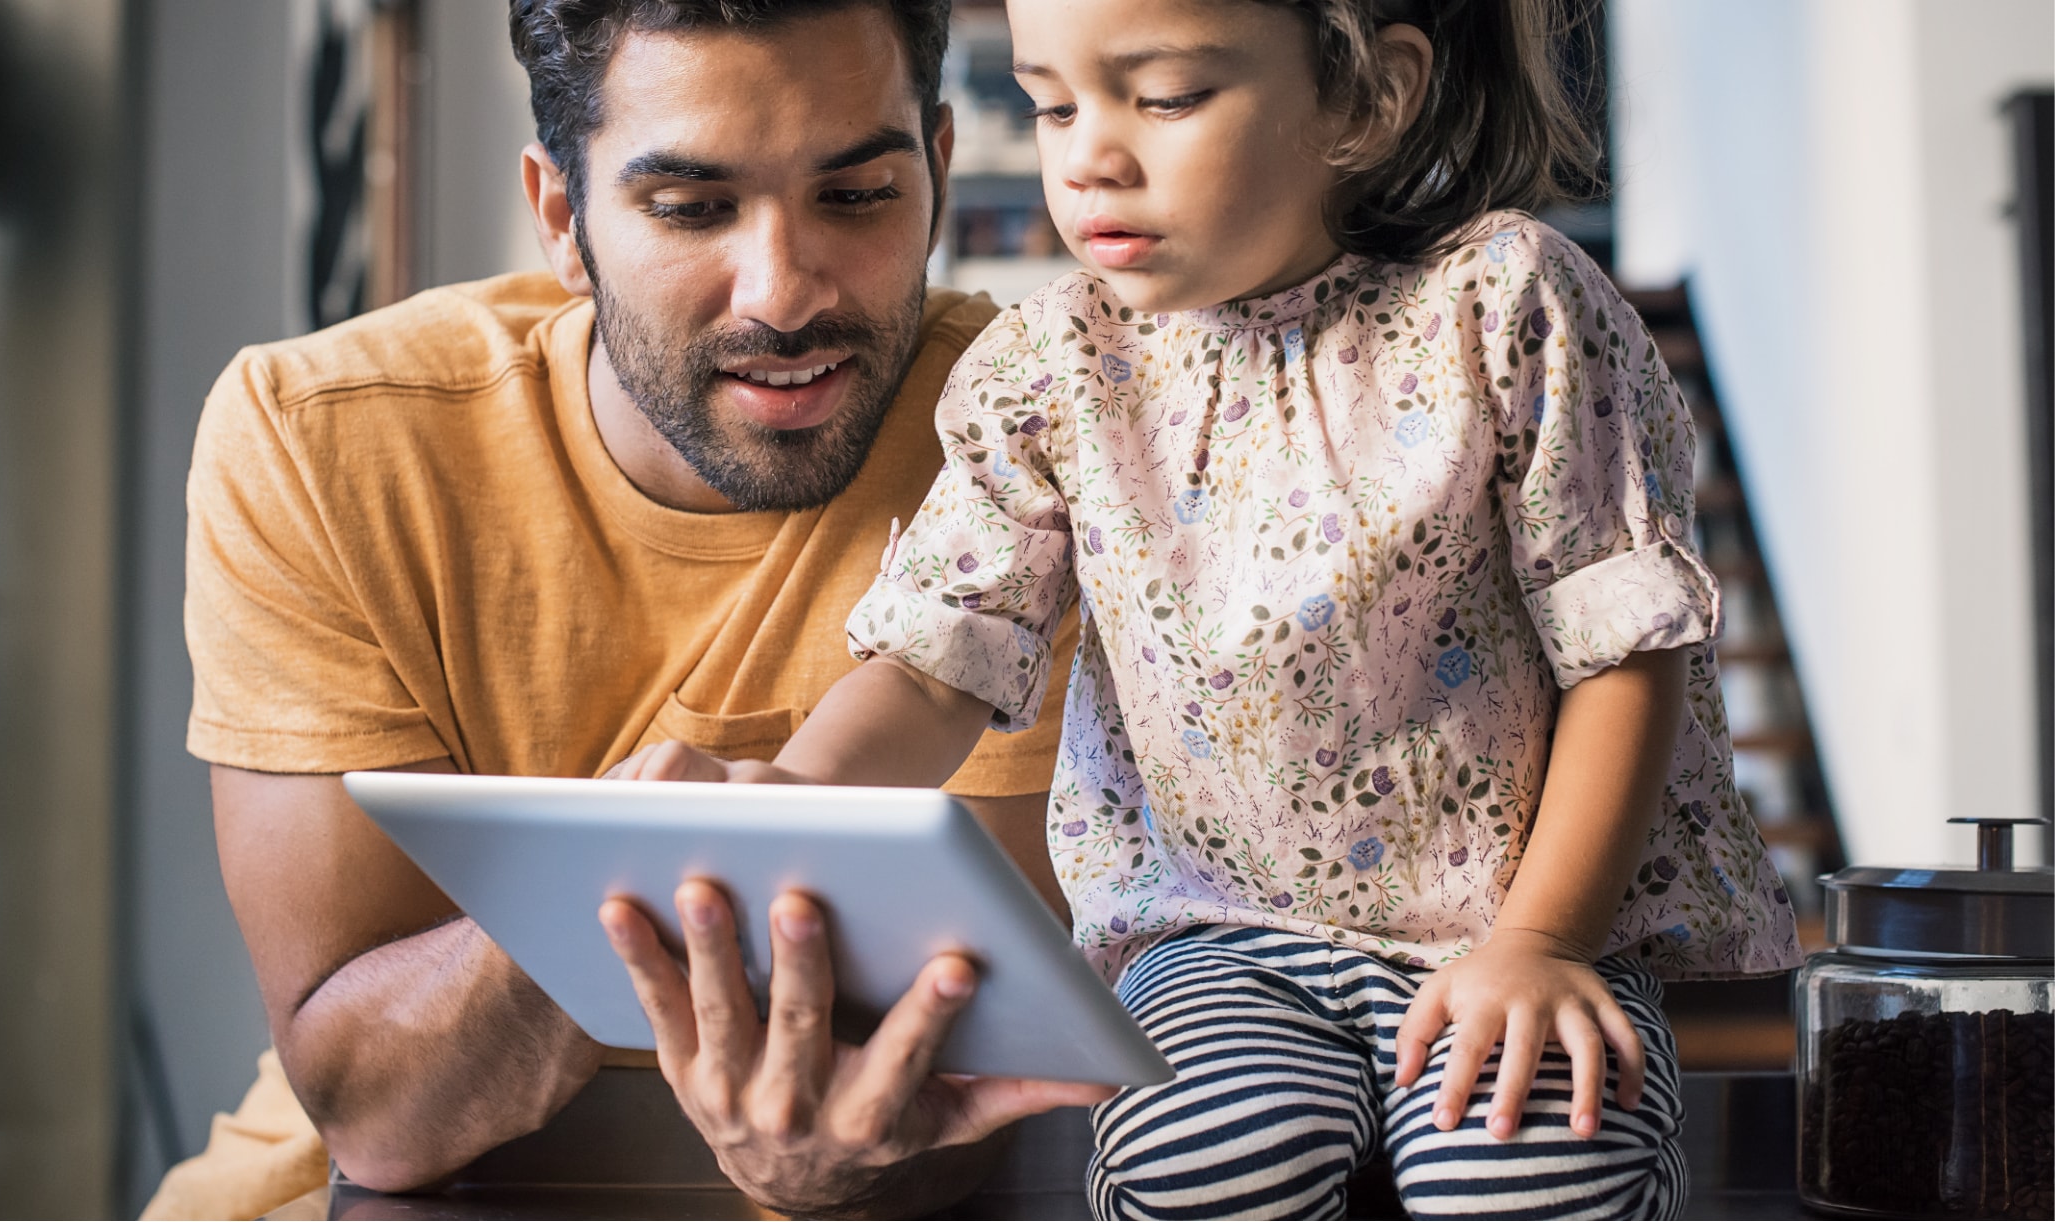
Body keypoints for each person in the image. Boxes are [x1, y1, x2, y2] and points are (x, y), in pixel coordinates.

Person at [611, 0, 1807, 1216]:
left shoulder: (1507, 306)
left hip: (1516, 925)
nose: (1089, 156)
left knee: (1524, 1175)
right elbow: (935, 662)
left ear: (1365, 96)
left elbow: (1620, 650)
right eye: (1053, 104)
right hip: (1221, 943)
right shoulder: (1051, 368)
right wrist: (800, 804)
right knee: (1203, 1167)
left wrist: (1543, 944)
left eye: (1167, 96)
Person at [146, 2, 1113, 1218]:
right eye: (694, 207)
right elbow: (375, 1110)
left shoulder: (1054, 438)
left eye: (858, 196)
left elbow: (984, 1061)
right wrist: (626, 880)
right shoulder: (318, 441)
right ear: (564, 218)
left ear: (934, 168)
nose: (784, 293)